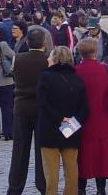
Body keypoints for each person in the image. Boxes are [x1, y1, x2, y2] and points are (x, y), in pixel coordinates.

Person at [37, 46, 89, 195]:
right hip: (71, 128)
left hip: (49, 128)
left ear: (55, 59)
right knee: (71, 170)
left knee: (51, 173)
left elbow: (43, 103)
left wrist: (59, 119)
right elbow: (84, 108)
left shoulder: (45, 77)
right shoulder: (77, 79)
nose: (47, 59)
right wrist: (69, 123)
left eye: (50, 57)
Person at [7, 27, 49, 195]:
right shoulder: (48, 59)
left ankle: (15, 188)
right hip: (41, 109)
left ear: (27, 42)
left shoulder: (18, 58)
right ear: (44, 43)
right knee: (42, 152)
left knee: (19, 151)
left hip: (22, 107)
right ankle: (44, 186)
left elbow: (14, 77)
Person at [74, 38, 108, 195]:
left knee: (81, 154)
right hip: (102, 118)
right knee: (101, 155)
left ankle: (81, 189)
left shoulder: (75, 70)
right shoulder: (106, 69)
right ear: (96, 52)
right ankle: (101, 189)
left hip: (81, 121)